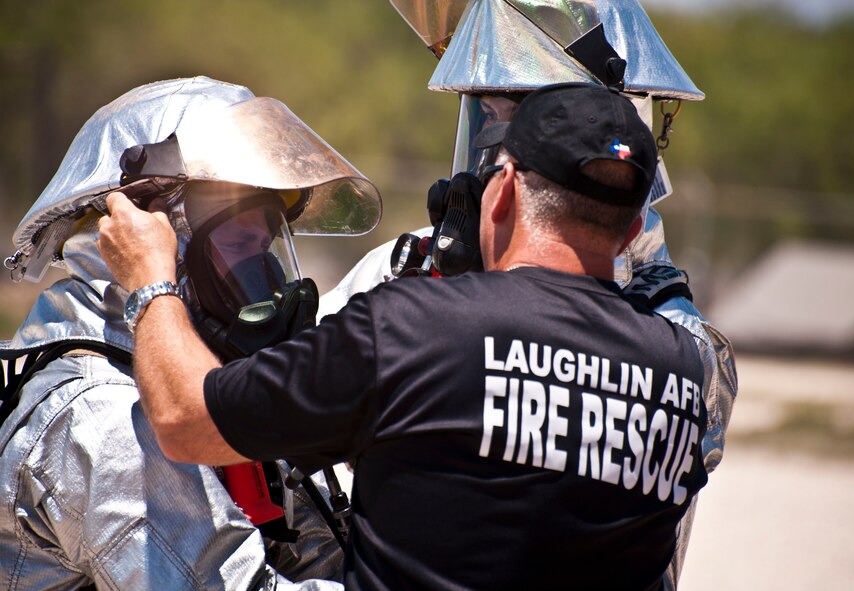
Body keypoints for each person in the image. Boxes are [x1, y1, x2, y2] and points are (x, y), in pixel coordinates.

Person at [97, 82, 711, 591]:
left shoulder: (415, 326)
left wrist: (151, 278)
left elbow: (184, 419)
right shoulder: (686, 370)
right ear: (631, 232)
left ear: (500, 192)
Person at [326, 2, 739, 586]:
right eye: (486, 124)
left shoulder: (676, 337)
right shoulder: (409, 266)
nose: (495, 162)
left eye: (510, 128)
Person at [0, 76, 383, 590]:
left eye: (266, 245)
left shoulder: (201, 378)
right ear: (154, 238)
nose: (265, 277)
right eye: (240, 242)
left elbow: (312, 551)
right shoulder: (102, 419)